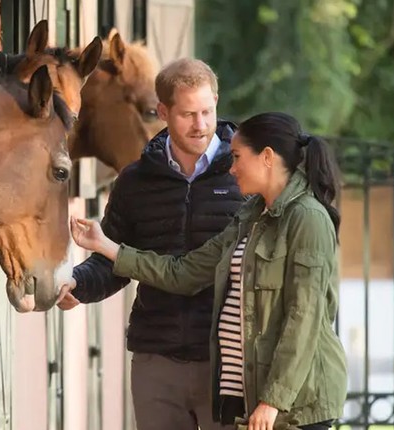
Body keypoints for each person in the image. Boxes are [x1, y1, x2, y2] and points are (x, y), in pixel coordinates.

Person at [68, 112, 348, 430]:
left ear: (267, 157)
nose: (231, 168)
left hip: (294, 407)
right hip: (244, 395)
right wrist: (106, 246)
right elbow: (185, 272)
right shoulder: (250, 216)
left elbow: (305, 317)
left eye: (238, 157)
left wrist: (273, 401)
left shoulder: (307, 218)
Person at [58, 58, 245, 429]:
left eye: (208, 111)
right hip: (156, 360)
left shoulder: (244, 174)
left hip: (228, 363)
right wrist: (78, 283)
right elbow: (112, 257)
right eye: (188, 114)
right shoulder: (135, 181)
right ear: (163, 111)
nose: (201, 125)